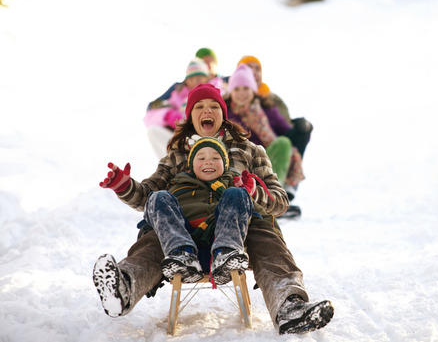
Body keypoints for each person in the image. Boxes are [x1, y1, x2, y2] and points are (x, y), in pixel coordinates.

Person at [93, 83, 333, 334]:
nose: (207, 110)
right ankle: (123, 287)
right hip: (183, 233)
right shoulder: (177, 155)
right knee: (153, 240)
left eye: (213, 106)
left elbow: (280, 201)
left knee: (268, 241)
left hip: (241, 232)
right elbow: (149, 199)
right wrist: (124, 186)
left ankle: (289, 306)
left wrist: (254, 192)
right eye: (199, 106)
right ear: (190, 116)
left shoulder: (250, 150)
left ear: (223, 114)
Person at [156, 135, 270, 286]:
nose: (208, 161)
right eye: (201, 158)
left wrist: (248, 197)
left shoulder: (235, 187)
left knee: (236, 193)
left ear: (225, 164)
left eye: (215, 158)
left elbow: (262, 217)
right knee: (159, 196)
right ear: (191, 165)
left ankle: (226, 253)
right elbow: (159, 216)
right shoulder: (179, 187)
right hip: (187, 251)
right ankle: (181, 254)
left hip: (225, 254)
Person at [235, 55, 314, 200]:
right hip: (245, 158)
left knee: (290, 139)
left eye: (257, 69)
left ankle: (280, 190)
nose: (253, 72)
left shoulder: (270, 103)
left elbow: (286, 129)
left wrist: (302, 128)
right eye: (248, 68)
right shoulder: (228, 107)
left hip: (270, 151)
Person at [224, 64, 304, 195]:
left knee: (283, 142)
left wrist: (302, 131)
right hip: (237, 161)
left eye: (246, 88)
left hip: (264, 161)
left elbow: (287, 133)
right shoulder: (225, 112)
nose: (241, 93)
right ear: (231, 92)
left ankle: (274, 194)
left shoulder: (267, 110)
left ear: (253, 90)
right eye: (236, 89)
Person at [144, 56, 220, 159]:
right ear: (186, 80)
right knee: (152, 130)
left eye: (199, 77)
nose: (196, 81)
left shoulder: (217, 90)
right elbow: (150, 114)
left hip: (206, 134)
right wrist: (168, 115)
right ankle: (170, 164)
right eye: (191, 78)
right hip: (183, 135)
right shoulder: (177, 95)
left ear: (207, 78)